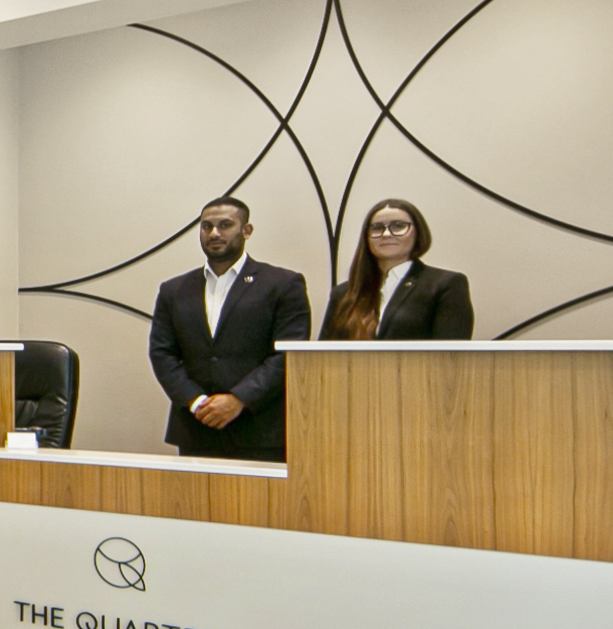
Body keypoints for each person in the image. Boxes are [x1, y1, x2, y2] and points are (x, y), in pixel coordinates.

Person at [147, 196, 311, 462]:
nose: (214, 233)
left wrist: (238, 400)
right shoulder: (174, 289)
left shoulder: (282, 283)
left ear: (246, 230)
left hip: (260, 430)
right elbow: (161, 353)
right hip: (196, 427)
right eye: (206, 226)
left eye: (225, 225)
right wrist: (196, 401)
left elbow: (288, 354)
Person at [322, 196, 474, 340]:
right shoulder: (343, 293)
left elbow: (451, 357)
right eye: (377, 228)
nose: (386, 234)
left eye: (398, 226)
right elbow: (322, 356)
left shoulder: (445, 285)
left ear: (418, 232)